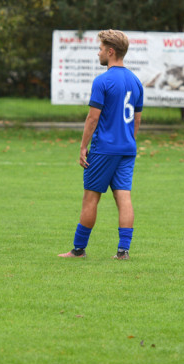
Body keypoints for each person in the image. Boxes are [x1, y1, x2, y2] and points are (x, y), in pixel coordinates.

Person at [59, 30, 144, 260]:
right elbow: (137, 120)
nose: (98, 53)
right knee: (124, 197)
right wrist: (129, 141)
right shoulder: (136, 82)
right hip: (127, 149)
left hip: (103, 149)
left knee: (91, 198)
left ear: (110, 51)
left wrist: (83, 146)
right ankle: (123, 251)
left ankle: (78, 250)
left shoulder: (103, 81)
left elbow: (92, 118)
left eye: (100, 48)